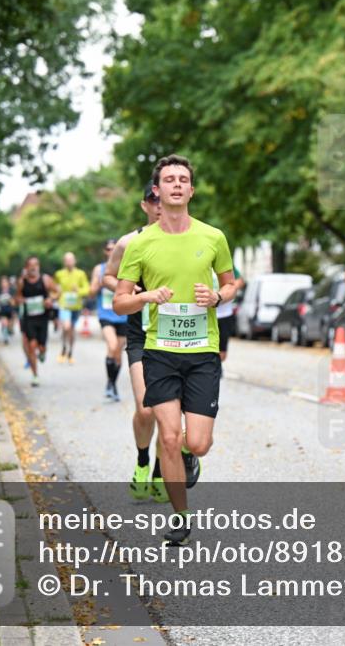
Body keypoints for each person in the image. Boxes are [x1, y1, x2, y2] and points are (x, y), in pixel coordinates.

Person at [115, 155, 236, 547]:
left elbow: (232, 285)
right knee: (167, 436)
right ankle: (181, 516)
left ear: (191, 190)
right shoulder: (140, 244)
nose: (177, 185)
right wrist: (145, 296)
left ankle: (190, 453)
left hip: (202, 351)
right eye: (170, 179)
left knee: (196, 441)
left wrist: (217, 296)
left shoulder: (213, 237)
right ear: (157, 190)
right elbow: (119, 302)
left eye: (184, 179)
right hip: (159, 352)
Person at [102, 182, 172, 503]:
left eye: (163, 199)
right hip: (141, 333)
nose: (158, 204)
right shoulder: (131, 242)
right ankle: (142, 460)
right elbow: (108, 275)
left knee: (165, 413)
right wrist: (130, 292)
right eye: (152, 200)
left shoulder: (185, 240)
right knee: (146, 410)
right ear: (144, 205)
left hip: (174, 334)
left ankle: (160, 470)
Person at [91, 239, 129, 401]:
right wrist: (101, 283)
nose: (111, 251)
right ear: (104, 251)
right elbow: (91, 292)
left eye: (114, 249)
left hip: (123, 316)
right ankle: (110, 384)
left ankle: (112, 384)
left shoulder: (126, 267)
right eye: (108, 249)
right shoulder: (99, 269)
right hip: (106, 315)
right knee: (112, 346)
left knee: (118, 353)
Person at [17, 257, 59, 387]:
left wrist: (50, 300)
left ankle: (43, 352)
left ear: (38, 266)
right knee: (31, 346)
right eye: (30, 265)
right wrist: (20, 300)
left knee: (41, 347)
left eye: (35, 265)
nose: (33, 268)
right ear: (26, 267)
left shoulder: (45, 280)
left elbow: (57, 292)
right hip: (29, 318)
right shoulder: (22, 282)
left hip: (43, 318)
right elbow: (18, 296)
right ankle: (35, 375)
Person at [54, 252, 90, 364]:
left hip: (76, 306)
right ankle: (64, 347)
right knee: (66, 326)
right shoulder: (59, 274)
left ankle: (70, 352)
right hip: (64, 305)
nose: (69, 262)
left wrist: (78, 291)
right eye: (67, 260)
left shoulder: (81, 274)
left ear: (75, 261)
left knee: (71, 330)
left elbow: (87, 289)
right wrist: (56, 292)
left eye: (71, 260)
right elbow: (53, 289)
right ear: (64, 262)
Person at [214, 266, 244, 365]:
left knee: (222, 352)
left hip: (224, 315)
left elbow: (240, 281)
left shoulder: (224, 262)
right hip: (205, 315)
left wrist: (229, 289)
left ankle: (216, 368)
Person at [0, 275, 17, 344]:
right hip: (2, 310)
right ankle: (5, 338)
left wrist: (10, 300)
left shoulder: (12, 291)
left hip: (10, 310)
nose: (3, 284)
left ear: (8, 283)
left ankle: (7, 331)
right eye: (2, 282)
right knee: (4, 323)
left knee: (9, 325)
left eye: (5, 282)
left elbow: (14, 302)